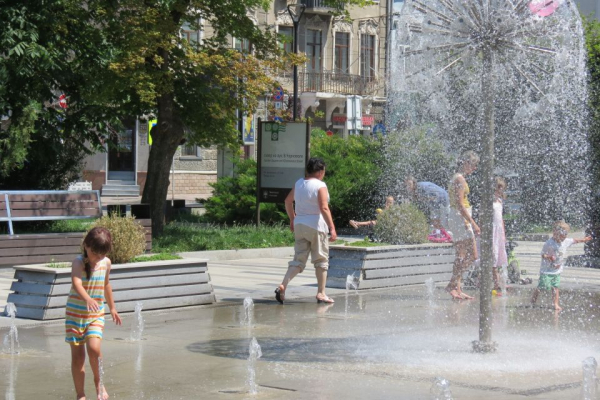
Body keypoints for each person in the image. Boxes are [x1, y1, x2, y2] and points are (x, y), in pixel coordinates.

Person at [66, 227, 122, 400]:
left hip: (95, 314)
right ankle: (80, 394)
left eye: (101, 254)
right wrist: (87, 299)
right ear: (86, 245)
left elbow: (106, 285)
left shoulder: (106, 263)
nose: (98, 258)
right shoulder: (79, 263)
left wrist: (112, 307)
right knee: (78, 358)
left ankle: (99, 383)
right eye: (95, 253)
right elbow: (77, 283)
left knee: (94, 348)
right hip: (75, 315)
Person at [276, 158, 337, 304]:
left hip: (300, 225)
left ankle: (283, 285)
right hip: (316, 225)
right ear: (321, 171)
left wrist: (292, 218)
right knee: (321, 260)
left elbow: (288, 201)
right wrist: (332, 227)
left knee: (298, 260)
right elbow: (323, 207)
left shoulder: (299, 183)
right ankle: (321, 293)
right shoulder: (320, 185)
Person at [531, 221, 591, 311]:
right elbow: (542, 254)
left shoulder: (565, 241)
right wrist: (548, 257)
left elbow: (575, 240)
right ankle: (533, 300)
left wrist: (584, 240)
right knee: (542, 286)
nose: (565, 237)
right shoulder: (549, 243)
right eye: (563, 234)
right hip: (546, 271)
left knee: (555, 287)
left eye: (566, 234)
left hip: (557, 271)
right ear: (555, 233)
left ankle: (555, 304)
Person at [446, 151, 480, 300]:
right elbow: (460, 204)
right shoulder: (459, 179)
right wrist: (473, 223)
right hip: (461, 218)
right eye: (473, 165)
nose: (474, 169)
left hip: (459, 217)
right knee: (472, 255)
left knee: (461, 255)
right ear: (466, 163)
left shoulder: (457, 178)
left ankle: (457, 289)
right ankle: (451, 285)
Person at [492, 177, 508, 292]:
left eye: (502, 188)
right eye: (498, 188)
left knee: (500, 256)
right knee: (493, 255)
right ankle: (496, 282)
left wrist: (503, 232)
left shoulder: (500, 201)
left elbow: (501, 218)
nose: (500, 191)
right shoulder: (489, 201)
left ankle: (500, 282)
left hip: (499, 231)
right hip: (491, 230)